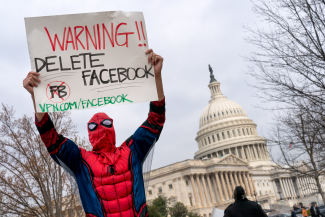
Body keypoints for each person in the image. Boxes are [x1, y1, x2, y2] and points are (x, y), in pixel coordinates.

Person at [23, 49, 165, 217]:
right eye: (93, 126)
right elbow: (51, 139)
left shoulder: (131, 151)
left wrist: (156, 76)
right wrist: (37, 97)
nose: (100, 128)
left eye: (105, 123)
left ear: (112, 126)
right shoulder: (81, 161)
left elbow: (155, 119)